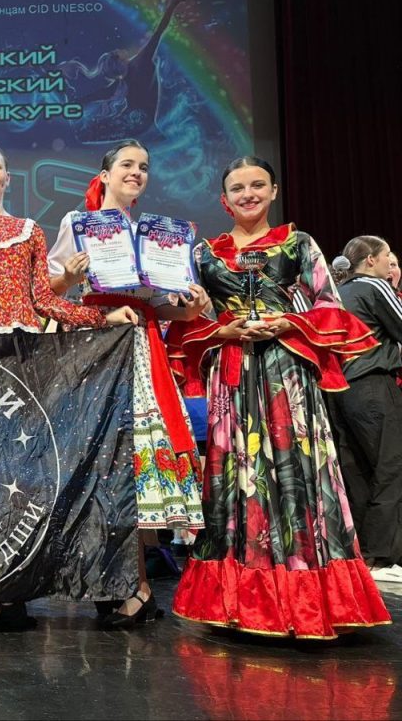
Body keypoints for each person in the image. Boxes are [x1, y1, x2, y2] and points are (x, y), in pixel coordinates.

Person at [0, 143, 137, 631]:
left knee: (16, 476)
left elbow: (43, 300)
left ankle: (10, 593)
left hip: (20, 359)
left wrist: (102, 318)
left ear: (7, 178)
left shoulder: (30, 231)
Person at [166, 156, 390, 638]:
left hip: (286, 373)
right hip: (231, 377)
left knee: (293, 471)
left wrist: (288, 322)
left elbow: (330, 306)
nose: (248, 194)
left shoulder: (298, 243)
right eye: (238, 188)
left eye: (257, 185)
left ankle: (304, 600)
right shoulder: (204, 253)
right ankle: (237, 603)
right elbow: (186, 320)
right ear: (224, 199)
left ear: (273, 191)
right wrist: (219, 327)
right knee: (235, 475)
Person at [46, 139, 208, 628]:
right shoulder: (78, 224)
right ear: (105, 174)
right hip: (96, 347)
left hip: (140, 348)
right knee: (100, 464)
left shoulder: (154, 234)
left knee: (133, 466)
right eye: (127, 165)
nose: (136, 172)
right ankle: (115, 581)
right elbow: (48, 290)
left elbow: (161, 306)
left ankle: (136, 585)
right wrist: (69, 277)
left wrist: (190, 307)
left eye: (144, 167)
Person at [325, 237, 402, 583]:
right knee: (391, 467)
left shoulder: (335, 292)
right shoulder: (374, 285)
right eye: (387, 257)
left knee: (356, 471)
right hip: (372, 385)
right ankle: (384, 557)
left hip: (338, 392)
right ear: (370, 260)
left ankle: (366, 555)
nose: (390, 264)